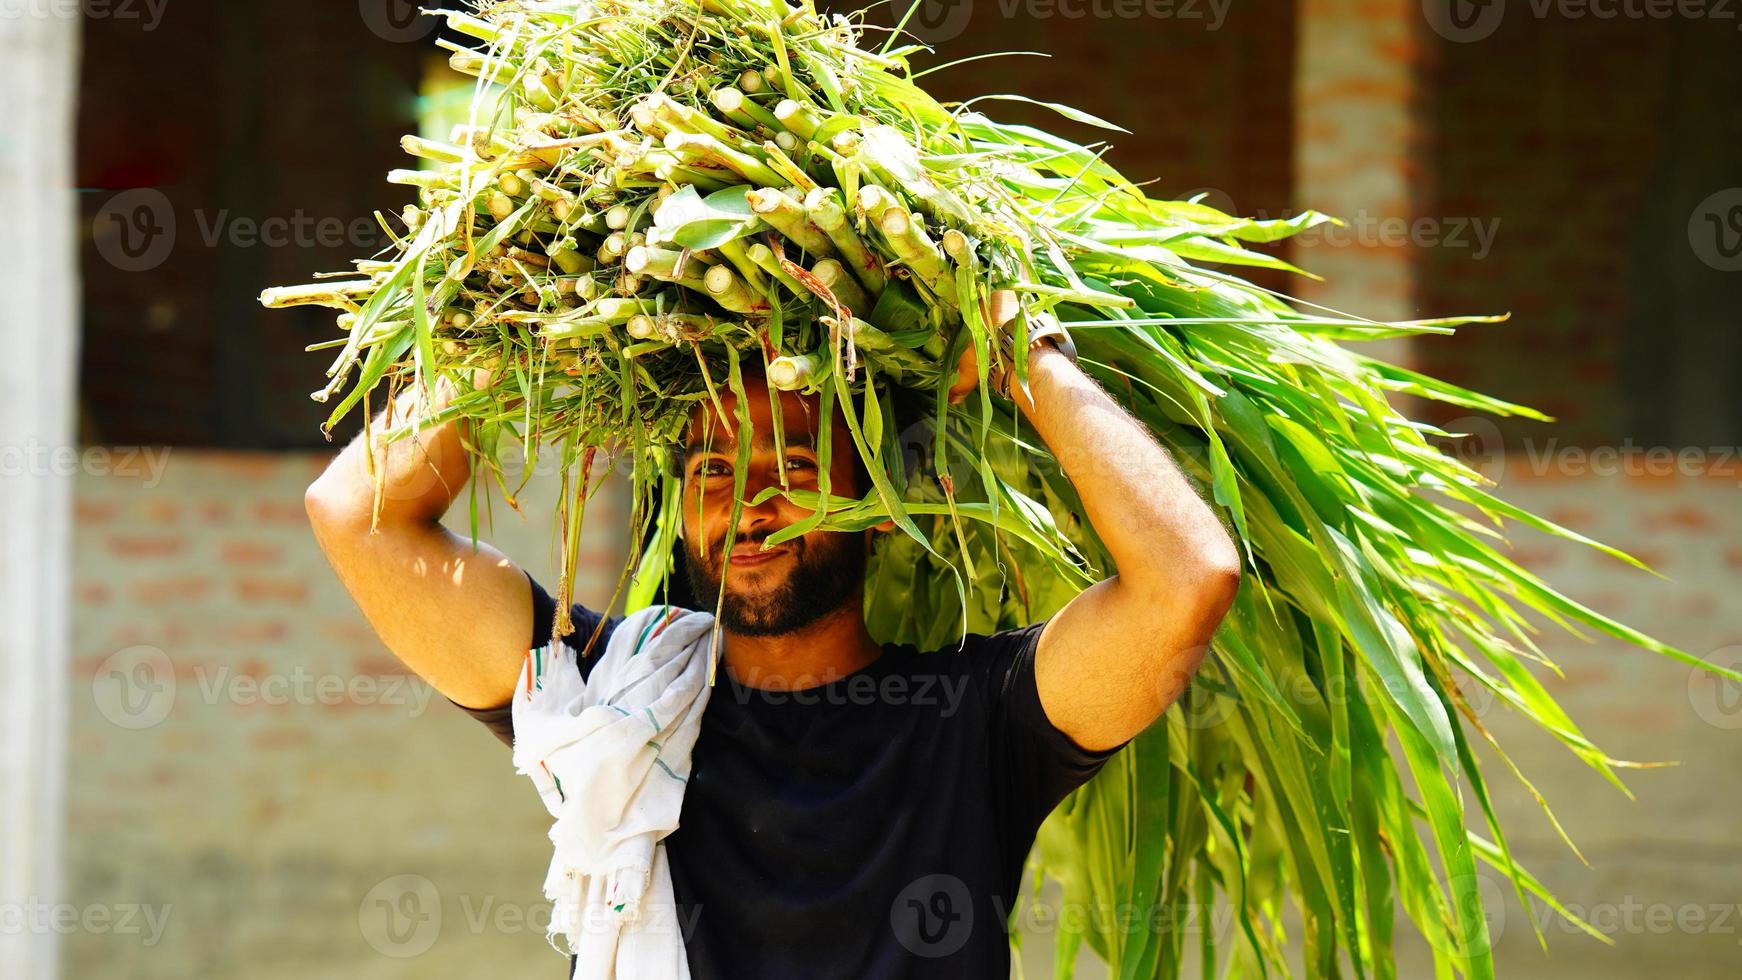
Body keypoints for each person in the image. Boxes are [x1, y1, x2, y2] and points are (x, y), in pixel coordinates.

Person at [304, 301, 1242, 978]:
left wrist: (1022, 352)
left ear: (879, 507)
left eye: (791, 467)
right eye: (713, 470)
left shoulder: (976, 721)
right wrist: (508, 326)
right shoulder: (613, 699)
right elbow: (359, 519)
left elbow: (1188, 577)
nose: (748, 506)